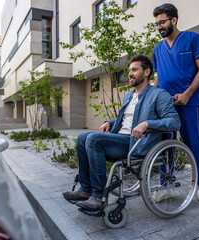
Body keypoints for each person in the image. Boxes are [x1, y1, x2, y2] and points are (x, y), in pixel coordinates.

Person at [62, 54, 181, 211]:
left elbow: (174, 121)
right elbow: (125, 120)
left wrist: (147, 124)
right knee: (82, 137)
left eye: (134, 70)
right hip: (121, 138)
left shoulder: (159, 94)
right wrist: (109, 123)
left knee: (93, 139)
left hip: (136, 143)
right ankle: (86, 189)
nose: (130, 74)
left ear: (147, 72)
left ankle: (98, 196)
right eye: (129, 70)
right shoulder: (128, 95)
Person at [152, 3, 199, 202]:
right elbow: (159, 78)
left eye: (162, 22)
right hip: (166, 105)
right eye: (157, 23)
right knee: (166, 145)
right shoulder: (158, 49)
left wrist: (187, 93)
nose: (159, 26)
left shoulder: (193, 39)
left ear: (174, 20)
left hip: (189, 102)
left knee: (193, 143)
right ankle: (166, 185)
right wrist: (152, 97)